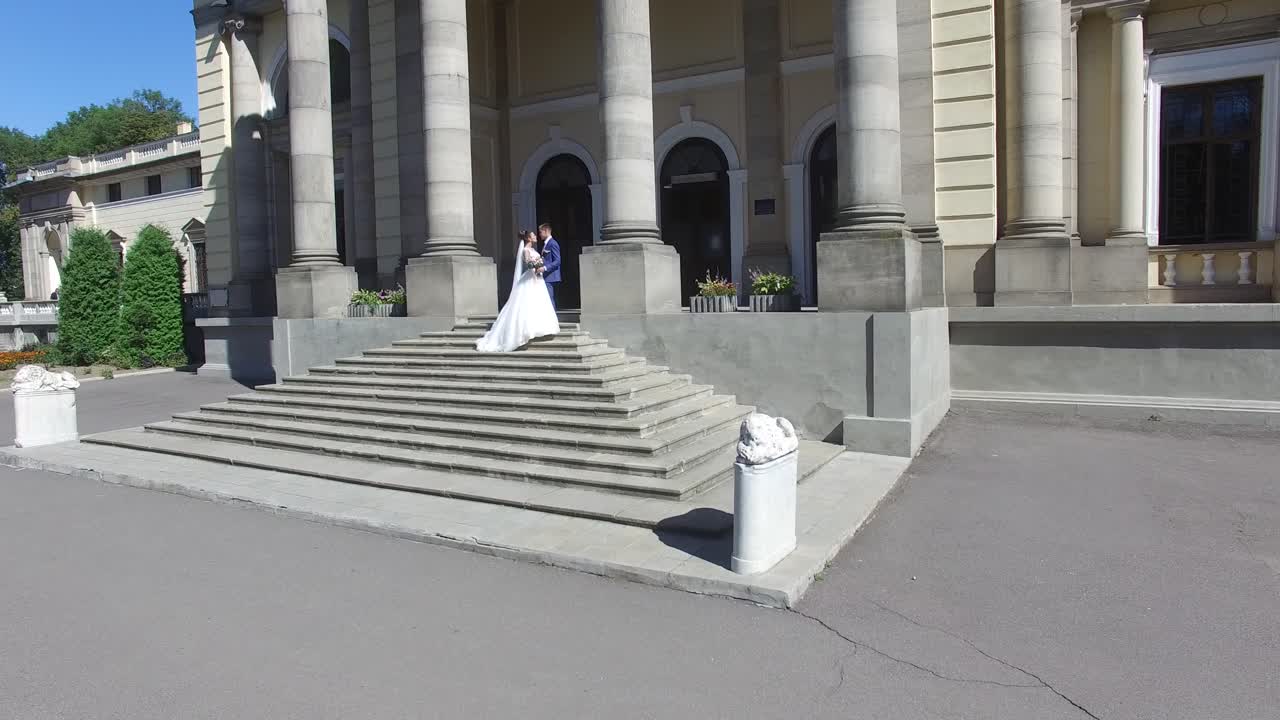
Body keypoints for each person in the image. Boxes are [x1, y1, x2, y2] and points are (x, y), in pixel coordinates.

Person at [475, 230, 561, 353]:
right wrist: (537, 266)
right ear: (529, 239)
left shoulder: (533, 250)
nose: (536, 236)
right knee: (527, 303)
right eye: (533, 235)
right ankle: (526, 330)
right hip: (531, 278)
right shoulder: (526, 250)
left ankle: (541, 327)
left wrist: (540, 265)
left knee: (539, 303)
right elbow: (529, 265)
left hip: (537, 278)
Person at [537, 223, 562, 310]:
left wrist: (544, 268)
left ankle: (553, 321)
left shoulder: (553, 243)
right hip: (546, 276)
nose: (539, 234)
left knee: (549, 299)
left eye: (540, 232)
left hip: (551, 276)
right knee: (547, 299)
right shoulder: (546, 244)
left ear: (546, 231)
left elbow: (558, 261)